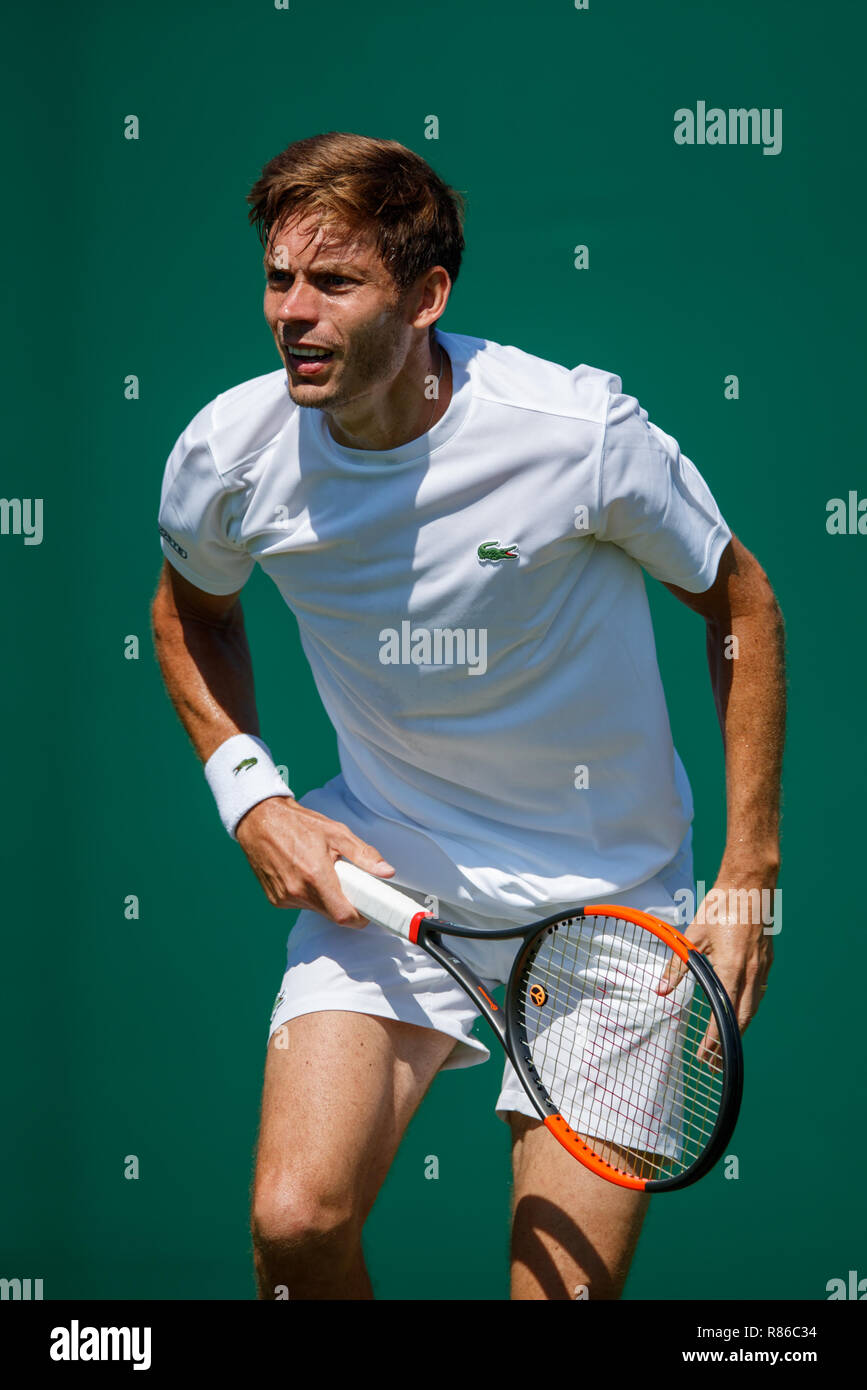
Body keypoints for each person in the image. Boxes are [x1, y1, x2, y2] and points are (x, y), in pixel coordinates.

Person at [151, 131, 785, 1300]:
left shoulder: (577, 435)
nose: (291, 311)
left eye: (333, 282)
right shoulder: (228, 456)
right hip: (394, 880)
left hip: (609, 919)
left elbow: (741, 603)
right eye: (278, 278)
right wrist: (255, 800)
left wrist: (749, 871)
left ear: (427, 296)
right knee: (294, 1230)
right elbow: (192, 614)